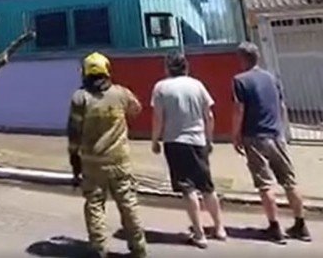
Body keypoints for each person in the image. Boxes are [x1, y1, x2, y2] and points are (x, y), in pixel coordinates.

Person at [68, 52, 147, 258]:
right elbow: (136, 109)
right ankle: (138, 248)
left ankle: (99, 248)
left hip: (92, 164)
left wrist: (74, 162)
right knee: (128, 204)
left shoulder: (80, 98)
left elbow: (73, 133)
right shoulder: (121, 93)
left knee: (95, 205)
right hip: (120, 161)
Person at [232, 41, 311, 243]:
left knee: (265, 184)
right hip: (277, 136)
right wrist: (281, 129)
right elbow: (282, 106)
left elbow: (239, 109)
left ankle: (275, 228)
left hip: (255, 136)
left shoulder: (240, 80)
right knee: (289, 181)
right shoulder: (272, 78)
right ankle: (301, 225)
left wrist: (236, 135)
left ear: (242, 59)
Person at [150, 51, 226, 248]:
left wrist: (155, 140)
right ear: (186, 66)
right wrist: (209, 140)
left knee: (188, 188)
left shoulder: (161, 87)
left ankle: (199, 234)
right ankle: (219, 228)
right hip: (198, 141)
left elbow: (158, 118)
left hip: (175, 142)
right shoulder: (197, 85)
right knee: (207, 187)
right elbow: (209, 115)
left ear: (167, 67)